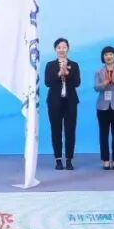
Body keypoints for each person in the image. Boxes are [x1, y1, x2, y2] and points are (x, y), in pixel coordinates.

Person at [45, 37, 81, 170]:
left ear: (68, 49)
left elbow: (77, 83)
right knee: (56, 130)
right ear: (55, 49)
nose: (62, 50)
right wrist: (59, 73)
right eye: (59, 47)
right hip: (54, 102)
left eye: (64, 47)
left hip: (70, 102)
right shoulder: (50, 65)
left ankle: (69, 159)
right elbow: (47, 82)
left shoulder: (74, 65)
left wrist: (67, 74)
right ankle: (58, 159)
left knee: (70, 130)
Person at [94, 45, 114, 170]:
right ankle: (106, 160)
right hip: (102, 106)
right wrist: (104, 83)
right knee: (103, 134)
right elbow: (96, 87)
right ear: (103, 57)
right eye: (106, 54)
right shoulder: (99, 72)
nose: (108, 56)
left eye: (111, 54)